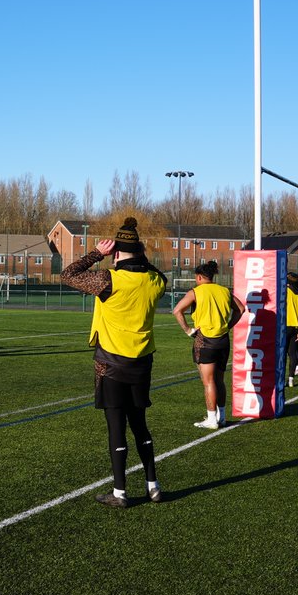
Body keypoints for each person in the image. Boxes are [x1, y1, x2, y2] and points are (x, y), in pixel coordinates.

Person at [61, 217, 167, 509]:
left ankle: (120, 493)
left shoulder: (109, 279)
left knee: (116, 428)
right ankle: (153, 486)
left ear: (116, 253)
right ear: (141, 252)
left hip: (111, 364)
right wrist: (133, 251)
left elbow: (68, 274)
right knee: (141, 426)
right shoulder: (156, 280)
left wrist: (97, 253)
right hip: (142, 363)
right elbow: (155, 271)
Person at [172, 261, 244, 430]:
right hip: (223, 340)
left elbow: (177, 311)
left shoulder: (195, 292)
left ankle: (212, 419)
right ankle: (223, 416)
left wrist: (188, 330)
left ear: (198, 277)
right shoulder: (224, 291)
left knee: (208, 382)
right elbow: (240, 309)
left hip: (205, 341)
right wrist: (228, 326)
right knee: (220, 380)